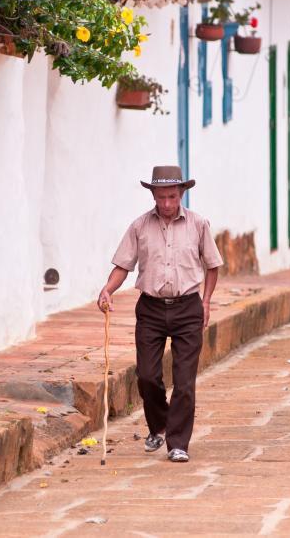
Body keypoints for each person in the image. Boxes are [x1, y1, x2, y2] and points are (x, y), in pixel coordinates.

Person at [98, 165, 223, 463]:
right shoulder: (140, 226)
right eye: (161, 197)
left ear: (181, 194)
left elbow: (213, 265)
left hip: (188, 308)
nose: (166, 204)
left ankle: (178, 443)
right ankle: (160, 425)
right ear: (153, 195)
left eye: (172, 197)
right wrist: (107, 290)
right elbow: (123, 266)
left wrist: (205, 302)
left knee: (184, 381)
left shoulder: (199, 224)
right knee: (147, 376)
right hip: (151, 309)